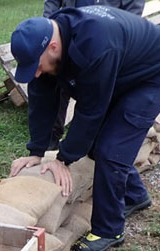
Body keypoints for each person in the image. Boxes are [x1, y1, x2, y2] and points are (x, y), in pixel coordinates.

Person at [9, 6, 160, 251]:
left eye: (36, 66)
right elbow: (42, 101)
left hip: (154, 74)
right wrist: (37, 150)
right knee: (94, 144)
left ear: (53, 48)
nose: (35, 72)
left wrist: (63, 159)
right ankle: (134, 196)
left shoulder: (96, 46)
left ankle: (109, 229)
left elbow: (90, 113)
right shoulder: (49, 43)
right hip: (120, 69)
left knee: (112, 149)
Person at [43, 0, 145, 150]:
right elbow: (52, 2)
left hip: (103, 44)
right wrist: (50, 28)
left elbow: (133, 12)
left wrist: (116, 35)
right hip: (69, 36)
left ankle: (91, 145)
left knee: (95, 98)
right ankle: (50, 142)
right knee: (56, 86)